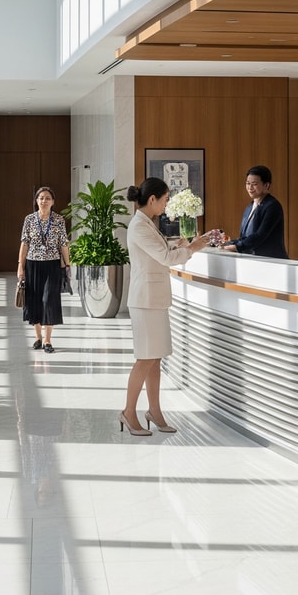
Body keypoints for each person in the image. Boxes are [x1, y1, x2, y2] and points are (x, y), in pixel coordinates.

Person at [122, 176, 218, 435]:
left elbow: (158, 252)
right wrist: (193, 248)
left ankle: (155, 411)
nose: (166, 205)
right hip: (145, 301)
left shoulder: (147, 224)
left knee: (155, 360)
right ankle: (129, 412)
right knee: (145, 359)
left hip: (154, 300)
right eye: (164, 200)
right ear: (152, 199)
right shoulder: (140, 225)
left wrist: (179, 245)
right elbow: (164, 258)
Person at [17, 186, 71, 353]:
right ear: (36, 201)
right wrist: (20, 265)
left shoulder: (59, 220)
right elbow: (24, 243)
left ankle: (48, 340)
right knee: (35, 301)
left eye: (48, 198)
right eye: (41, 198)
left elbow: (63, 243)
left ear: (53, 201)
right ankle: (38, 338)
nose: (44, 201)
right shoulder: (29, 219)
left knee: (49, 301)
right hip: (32, 264)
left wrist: (68, 265)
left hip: (52, 265)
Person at [222, 165, 287, 259]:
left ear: (266, 185)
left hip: (271, 261)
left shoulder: (272, 206)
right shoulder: (250, 207)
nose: (250, 187)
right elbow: (244, 237)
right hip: (253, 260)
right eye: (248, 183)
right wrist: (228, 243)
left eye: (254, 184)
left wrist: (236, 247)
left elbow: (260, 235)